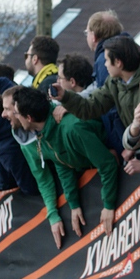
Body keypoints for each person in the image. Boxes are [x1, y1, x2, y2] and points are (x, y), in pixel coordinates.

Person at [12, 86, 119, 244]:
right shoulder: (43, 134)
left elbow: (108, 165)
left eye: (16, 113)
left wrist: (109, 206)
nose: (14, 117)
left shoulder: (72, 128)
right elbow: (62, 164)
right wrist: (74, 204)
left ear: (29, 118)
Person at [51, 35, 140, 133]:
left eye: (106, 60)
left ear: (118, 62)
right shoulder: (114, 82)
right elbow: (90, 107)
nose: (105, 65)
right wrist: (65, 96)